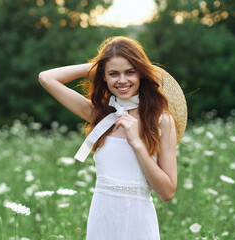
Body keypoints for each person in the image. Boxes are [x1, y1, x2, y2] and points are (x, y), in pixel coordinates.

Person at [38, 36, 187, 240]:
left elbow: (167, 192)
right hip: (102, 223)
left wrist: (137, 143)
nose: (122, 80)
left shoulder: (161, 120)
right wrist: (100, 65)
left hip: (139, 226)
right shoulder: (100, 116)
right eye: (113, 74)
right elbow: (46, 78)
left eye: (130, 72)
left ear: (141, 74)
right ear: (104, 77)